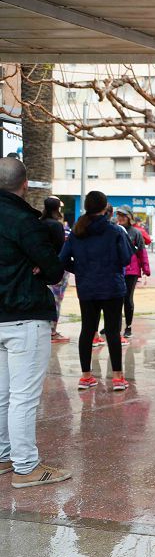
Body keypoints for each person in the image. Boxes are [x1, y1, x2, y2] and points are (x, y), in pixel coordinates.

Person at [0, 158, 71, 488]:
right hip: (24, 315)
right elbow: (55, 271)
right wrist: (40, 267)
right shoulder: (24, 221)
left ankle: (3, 456)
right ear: (25, 184)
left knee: (2, 395)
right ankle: (26, 467)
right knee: (23, 397)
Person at [61, 191, 132, 392]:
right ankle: (118, 377)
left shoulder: (77, 231)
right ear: (104, 207)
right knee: (112, 331)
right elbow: (126, 258)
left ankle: (86, 377)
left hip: (87, 287)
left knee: (87, 329)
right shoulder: (115, 231)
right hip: (112, 287)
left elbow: (63, 259)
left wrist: (82, 270)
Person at [115, 206, 150, 339]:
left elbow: (142, 252)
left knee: (127, 299)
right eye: (119, 215)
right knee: (116, 299)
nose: (121, 218)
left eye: (123, 215)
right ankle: (114, 326)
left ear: (129, 217)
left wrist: (146, 269)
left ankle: (128, 326)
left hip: (132, 271)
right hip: (117, 270)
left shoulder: (136, 233)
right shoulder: (115, 230)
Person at [41, 197, 71, 343]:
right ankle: (52, 332)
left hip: (40, 269)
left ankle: (44, 330)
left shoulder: (39, 223)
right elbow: (61, 249)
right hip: (56, 270)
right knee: (56, 301)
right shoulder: (56, 226)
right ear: (57, 209)